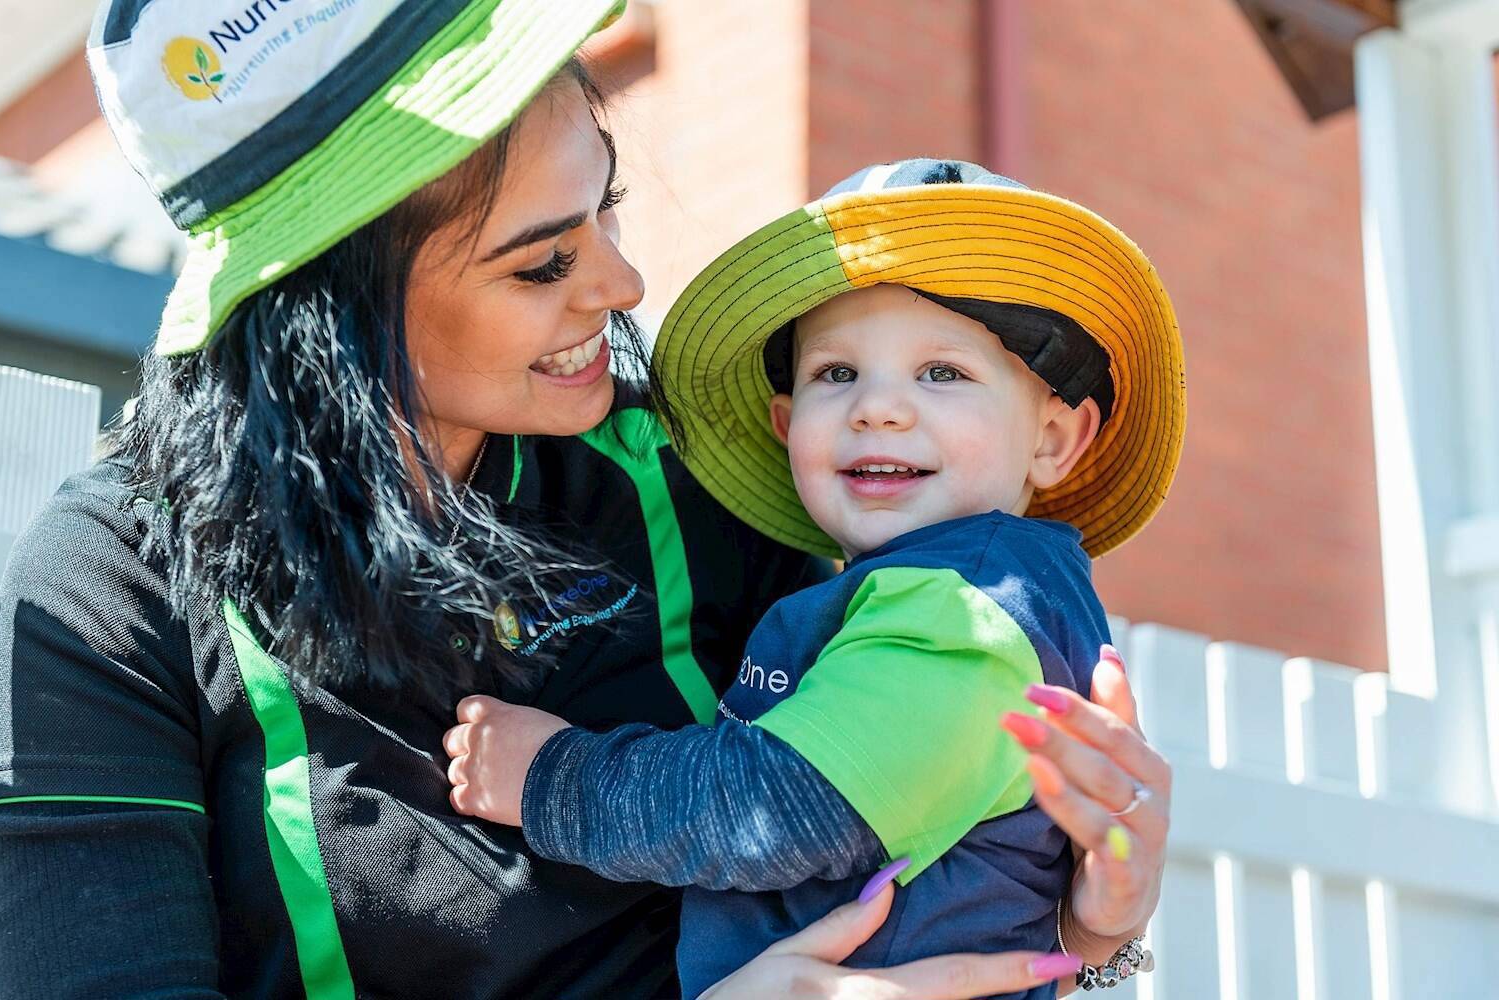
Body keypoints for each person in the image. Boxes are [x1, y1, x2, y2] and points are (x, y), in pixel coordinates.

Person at [0, 2, 1170, 997]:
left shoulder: (702, 488)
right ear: (326, 309)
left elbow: (886, 818)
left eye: (608, 208)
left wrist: (1092, 927)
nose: (623, 281)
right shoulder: (108, 592)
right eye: (541, 261)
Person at [443, 159, 1184, 998]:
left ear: (1054, 439)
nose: (879, 407)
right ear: (789, 427)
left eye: (943, 372)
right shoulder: (903, 591)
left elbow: (784, 809)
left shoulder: (970, 607)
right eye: (838, 374)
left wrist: (554, 778)